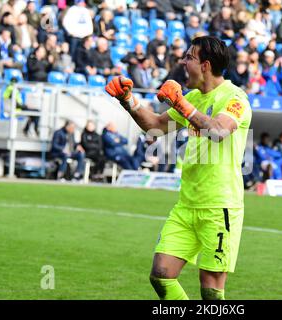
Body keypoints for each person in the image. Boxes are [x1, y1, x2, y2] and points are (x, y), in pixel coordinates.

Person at [105, 36, 252, 300]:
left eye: (189, 57)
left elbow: (218, 130)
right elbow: (155, 126)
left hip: (219, 207)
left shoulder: (235, 97)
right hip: (186, 205)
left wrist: (182, 104)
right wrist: (128, 100)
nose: (183, 62)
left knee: (210, 291)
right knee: (161, 274)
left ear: (205, 65)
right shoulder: (194, 96)